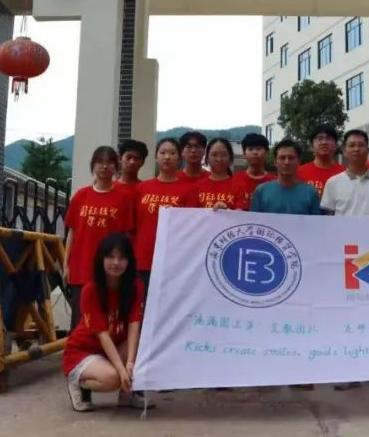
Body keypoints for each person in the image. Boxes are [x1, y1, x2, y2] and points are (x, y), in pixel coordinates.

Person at [322, 129, 369, 392]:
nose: (356, 149)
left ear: (368, 149)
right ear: (344, 151)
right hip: (345, 259)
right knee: (347, 315)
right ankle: (348, 369)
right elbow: (328, 221)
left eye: (361, 145)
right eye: (351, 145)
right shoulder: (333, 183)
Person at [62, 232, 143, 412]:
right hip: (84, 351)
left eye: (122, 258)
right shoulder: (90, 290)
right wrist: (121, 370)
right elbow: (103, 335)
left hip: (113, 347)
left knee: (139, 344)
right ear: (101, 259)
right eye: (110, 257)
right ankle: (78, 382)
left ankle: (127, 394)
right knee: (113, 378)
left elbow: (134, 325)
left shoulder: (135, 287)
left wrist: (130, 363)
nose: (116, 262)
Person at [63, 146, 135, 328]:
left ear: (116, 167)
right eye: (99, 162)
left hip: (110, 268)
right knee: (80, 319)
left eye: (109, 162)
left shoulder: (124, 197)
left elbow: (126, 236)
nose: (104, 166)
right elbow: (72, 232)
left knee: (106, 317)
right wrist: (66, 263)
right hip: (81, 266)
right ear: (93, 165)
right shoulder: (81, 196)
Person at [132, 139, 189, 291]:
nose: (167, 157)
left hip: (173, 261)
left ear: (179, 158)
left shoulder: (188, 190)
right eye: (162, 153)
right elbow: (133, 225)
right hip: (143, 259)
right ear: (156, 157)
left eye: (172, 153)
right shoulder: (142, 188)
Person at [249, 140, 322, 216]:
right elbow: (254, 221)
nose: (287, 162)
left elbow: (316, 222)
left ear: (299, 161)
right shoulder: (261, 191)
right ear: (275, 162)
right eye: (282, 158)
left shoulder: (311, 193)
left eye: (291, 158)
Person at [188, 137, 240, 209]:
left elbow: (241, 214)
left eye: (223, 155)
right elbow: (191, 214)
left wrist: (227, 211)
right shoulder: (196, 187)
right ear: (207, 158)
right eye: (214, 155)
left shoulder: (239, 186)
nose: (219, 159)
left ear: (230, 158)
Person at [296, 125, 345, 198]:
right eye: (320, 138)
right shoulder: (298, 173)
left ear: (336, 145)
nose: (324, 142)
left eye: (329, 138)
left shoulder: (345, 174)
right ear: (311, 146)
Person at [233, 133, 276, 210]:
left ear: (267, 152)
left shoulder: (275, 182)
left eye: (259, 149)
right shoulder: (234, 180)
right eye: (250, 149)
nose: (255, 152)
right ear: (244, 153)